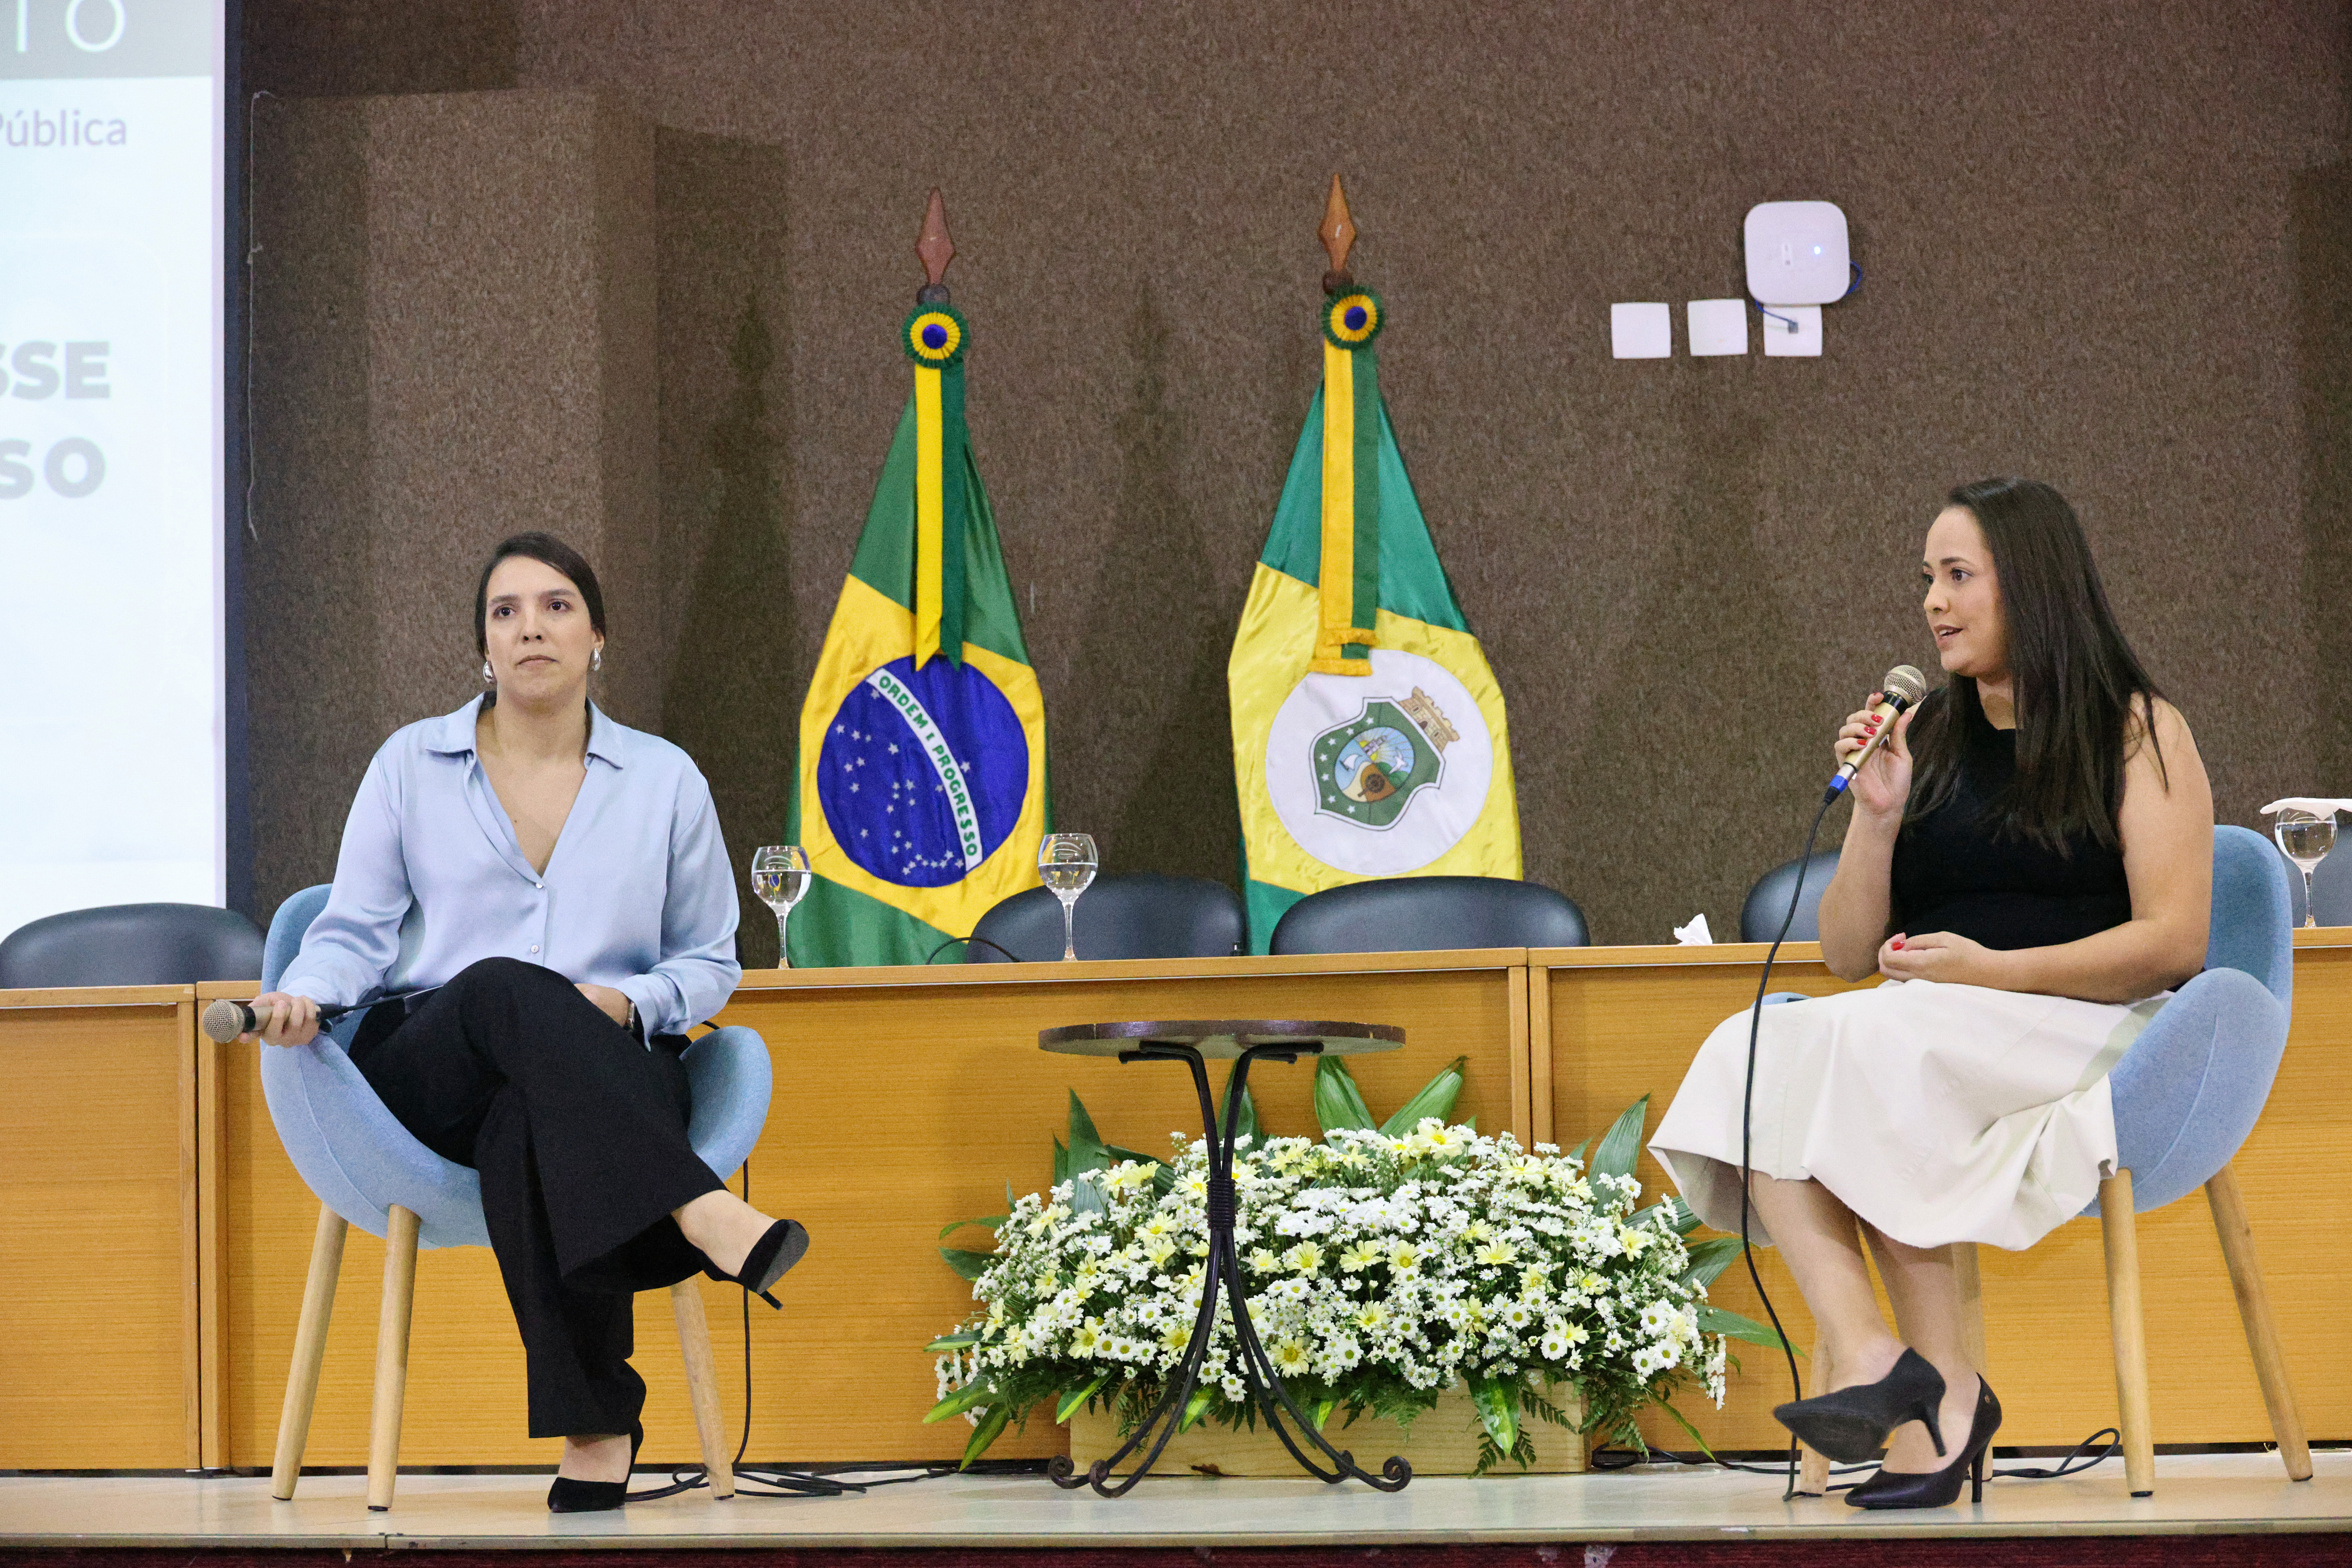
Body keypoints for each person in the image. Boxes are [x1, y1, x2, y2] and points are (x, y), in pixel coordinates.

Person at [1650, 478, 2213, 1510]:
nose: (1933, 603)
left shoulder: (2136, 729)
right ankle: (1880, 1357)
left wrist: (1992, 969)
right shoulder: (1933, 737)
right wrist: (1877, 814)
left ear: (2030, 585)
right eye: (1927, 578)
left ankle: (1943, 1392)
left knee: (1883, 1051)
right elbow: (1845, 952)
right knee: (1749, 1051)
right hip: (1938, 1021)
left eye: (1958, 576)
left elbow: (2173, 943)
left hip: (2088, 1024)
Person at [252, 532, 808, 1514]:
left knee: (530, 1119)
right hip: (434, 1065)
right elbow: (353, 931)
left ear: (599, 636)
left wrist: (631, 1002)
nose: (530, 628)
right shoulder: (410, 764)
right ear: (484, 645)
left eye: (556, 606)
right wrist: (305, 992)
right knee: (501, 989)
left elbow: (711, 960)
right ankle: (696, 1205)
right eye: (505, 612)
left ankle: (596, 1425)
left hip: (608, 1056)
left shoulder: (666, 780)